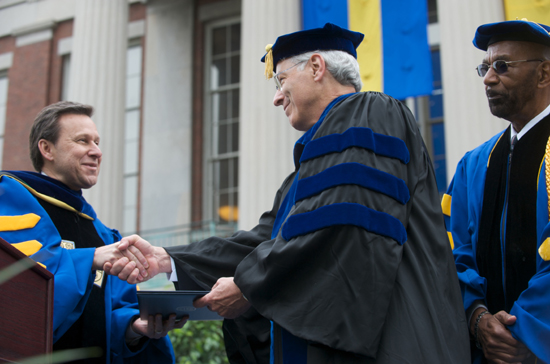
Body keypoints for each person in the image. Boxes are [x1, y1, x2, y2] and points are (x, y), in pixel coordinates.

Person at [109, 23, 470, 363]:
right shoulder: (313, 164)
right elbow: (265, 242)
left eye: (281, 80)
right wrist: (169, 260)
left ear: (316, 67)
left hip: (396, 341)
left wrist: (249, 285)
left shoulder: (370, 113)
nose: (277, 98)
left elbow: (344, 227)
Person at [0, 101, 184, 363]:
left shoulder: (104, 235)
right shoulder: (12, 200)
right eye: (83, 141)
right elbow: (21, 295)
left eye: (97, 142)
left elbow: (112, 315)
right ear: (47, 149)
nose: (96, 152)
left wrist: (135, 329)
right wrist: (90, 259)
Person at [443, 19, 550, 364]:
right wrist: (477, 317)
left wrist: (524, 335)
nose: (488, 78)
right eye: (485, 67)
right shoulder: (474, 165)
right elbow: (450, 250)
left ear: (544, 74)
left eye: (502, 66)